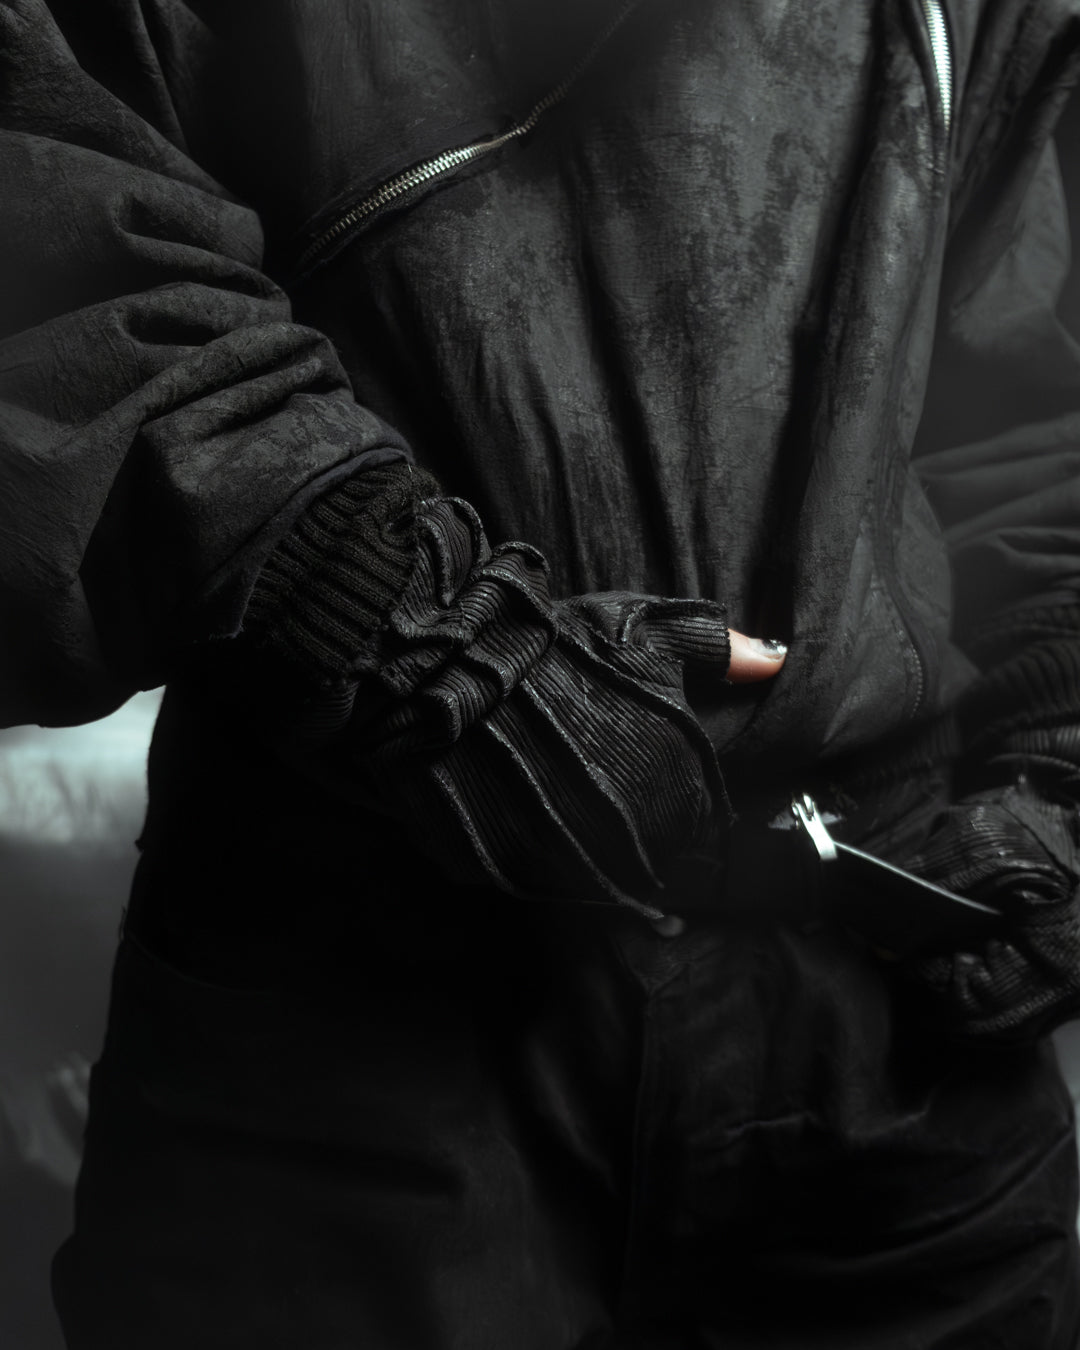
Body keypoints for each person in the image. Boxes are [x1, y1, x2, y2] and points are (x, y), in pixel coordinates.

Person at [3, 0, 1080, 1344]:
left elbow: (1031, 391)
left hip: (890, 1026)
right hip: (355, 992)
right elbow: (54, 271)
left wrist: (1058, 754)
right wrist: (404, 632)